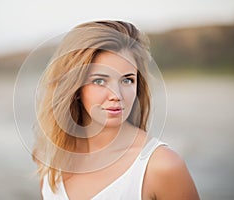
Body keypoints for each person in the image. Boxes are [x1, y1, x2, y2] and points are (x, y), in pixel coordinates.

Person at [32, 20, 200, 200]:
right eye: (99, 81)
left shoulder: (161, 166)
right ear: (75, 87)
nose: (116, 95)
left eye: (127, 80)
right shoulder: (54, 162)